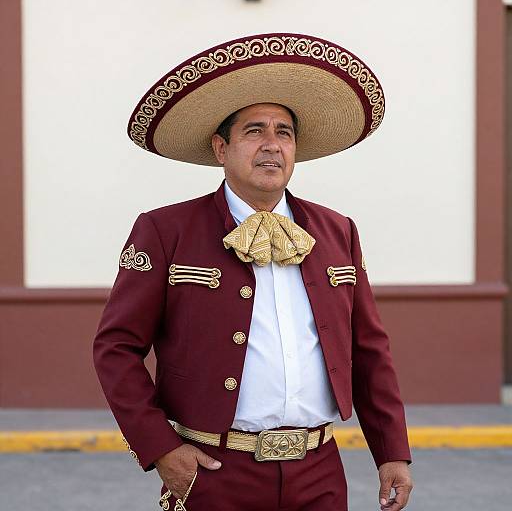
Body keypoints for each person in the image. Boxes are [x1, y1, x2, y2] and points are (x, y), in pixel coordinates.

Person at [93, 33, 413, 511]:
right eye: (254, 131)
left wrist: (392, 452)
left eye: (283, 132)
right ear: (221, 148)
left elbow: (369, 349)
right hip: (214, 471)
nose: (271, 145)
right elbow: (115, 349)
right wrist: (161, 449)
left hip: (320, 469)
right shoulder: (165, 230)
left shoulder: (337, 230)